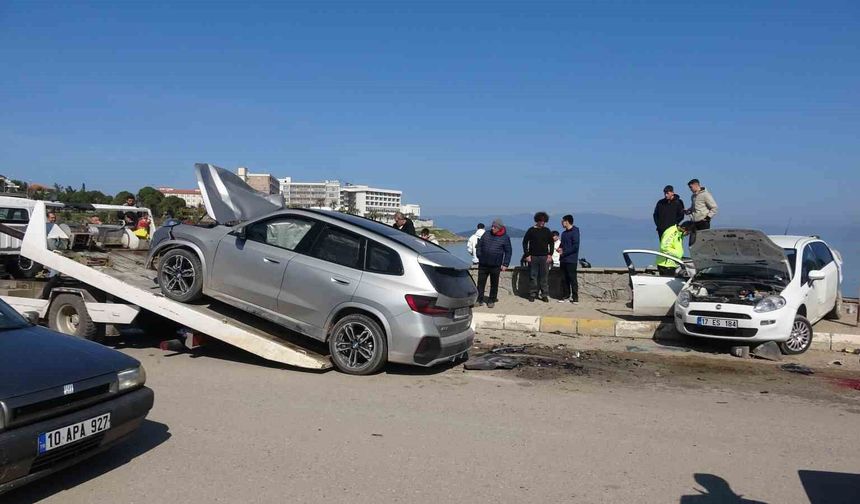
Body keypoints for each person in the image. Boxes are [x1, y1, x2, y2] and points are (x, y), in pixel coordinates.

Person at [476, 219, 512, 308]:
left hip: (495, 265)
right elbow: (479, 245)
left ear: (499, 228)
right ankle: (479, 300)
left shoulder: (505, 237)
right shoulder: (486, 234)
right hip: (483, 263)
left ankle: (491, 300)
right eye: (492, 226)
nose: (492, 228)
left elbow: (508, 251)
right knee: (480, 283)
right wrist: (479, 255)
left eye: (495, 227)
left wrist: (505, 264)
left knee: (494, 284)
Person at [522, 211, 554, 302]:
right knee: (533, 276)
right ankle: (532, 294)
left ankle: (544, 295)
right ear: (537, 220)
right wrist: (527, 255)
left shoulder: (547, 231)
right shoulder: (531, 230)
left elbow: (551, 243)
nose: (542, 223)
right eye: (541, 221)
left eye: (544, 221)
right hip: (533, 257)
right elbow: (525, 242)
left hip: (544, 257)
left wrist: (550, 254)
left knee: (544, 277)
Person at [685, 179, 718, 245]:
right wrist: (688, 210)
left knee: (703, 244)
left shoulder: (706, 194)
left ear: (696, 185)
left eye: (691, 187)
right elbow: (695, 208)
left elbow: (714, 208)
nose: (690, 189)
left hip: (703, 223)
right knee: (692, 244)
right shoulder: (693, 196)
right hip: (694, 223)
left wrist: (708, 218)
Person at [558, 214, 581, 303]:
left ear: (567, 221)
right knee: (564, 279)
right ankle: (566, 296)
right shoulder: (564, 233)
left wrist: (564, 252)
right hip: (563, 259)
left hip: (571, 260)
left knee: (572, 279)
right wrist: (559, 248)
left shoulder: (575, 232)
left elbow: (575, 247)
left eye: (562, 221)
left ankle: (575, 297)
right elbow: (562, 244)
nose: (561, 223)